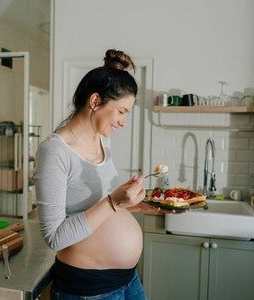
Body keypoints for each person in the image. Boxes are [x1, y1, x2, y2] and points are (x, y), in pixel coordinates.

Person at [35, 49, 166, 300]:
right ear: (95, 102)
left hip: (128, 279)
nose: (123, 122)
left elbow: (98, 208)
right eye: (121, 112)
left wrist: (140, 205)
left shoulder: (102, 140)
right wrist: (114, 200)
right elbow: (55, 237)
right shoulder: (55, 152)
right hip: (88, 289)